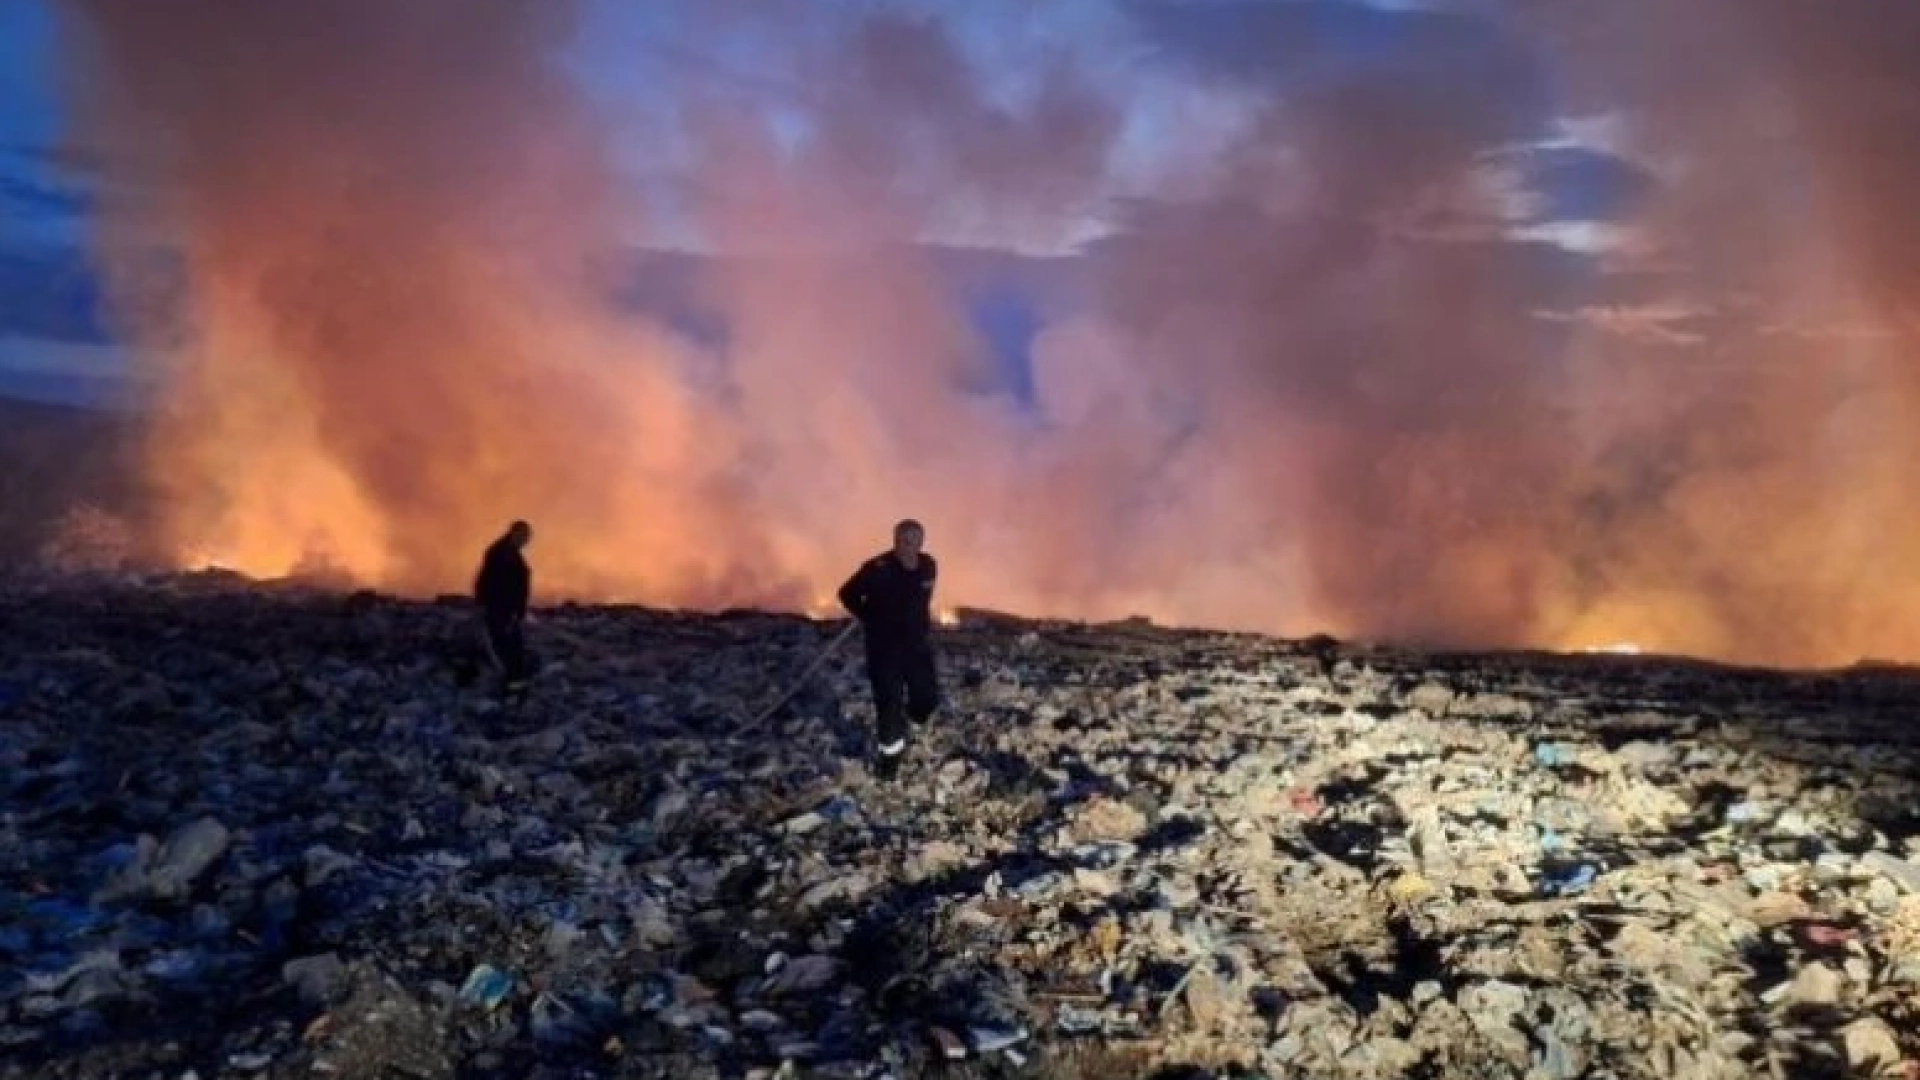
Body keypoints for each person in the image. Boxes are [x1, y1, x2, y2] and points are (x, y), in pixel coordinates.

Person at [838, 519, 940, 780]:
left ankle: (913, 718)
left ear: (921, 542)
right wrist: (869, 615)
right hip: (885, 650)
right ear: (895, 540)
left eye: (915, 540)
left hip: (917, 648)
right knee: (889, 706)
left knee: (927, 698)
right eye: (904, 540)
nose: (909, 546)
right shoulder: (877, 569)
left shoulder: (928, 566)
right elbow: (846, 593)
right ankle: (889, 763)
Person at [473, 520, 535, 695]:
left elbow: (483, 582)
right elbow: (495, 584)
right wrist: (511, 610)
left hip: (504, 610)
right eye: (524, 537)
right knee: (510, 648)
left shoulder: (505, 552)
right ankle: (513, 687)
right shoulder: (502, 554)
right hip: (502, 610)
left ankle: (513, 685)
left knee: (510, 648)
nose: (526, 541)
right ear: (515, 534)